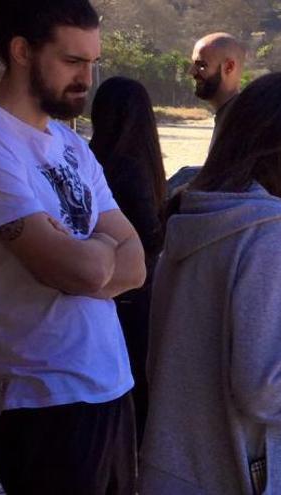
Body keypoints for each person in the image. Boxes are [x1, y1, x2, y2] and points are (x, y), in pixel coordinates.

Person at [140, 72, 281, 495]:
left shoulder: (195, 211)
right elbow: (267, 391)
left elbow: (197, 341)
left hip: (172, 464)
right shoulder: (274, 231)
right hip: (233, 472)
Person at [0, 0, 145, 492]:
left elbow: (136, 264)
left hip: (111, 383)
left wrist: (90, 257)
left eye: (93, 62)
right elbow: (75, 272)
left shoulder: (69, 143)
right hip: (38, 395)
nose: (87, 78)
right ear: (21, 52)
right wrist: (100, 251)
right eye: (73, 61)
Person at [90, 76, 166, 443]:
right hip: (139, 291)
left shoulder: (89, 161)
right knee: (138, 379)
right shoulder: (136, 166)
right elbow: (149, 236)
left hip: (99, 288)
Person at [167, 32, 246, 194]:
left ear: (229, 67)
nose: (192, 72)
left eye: (201, 65)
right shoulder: (232, 114)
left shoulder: (242, 121)